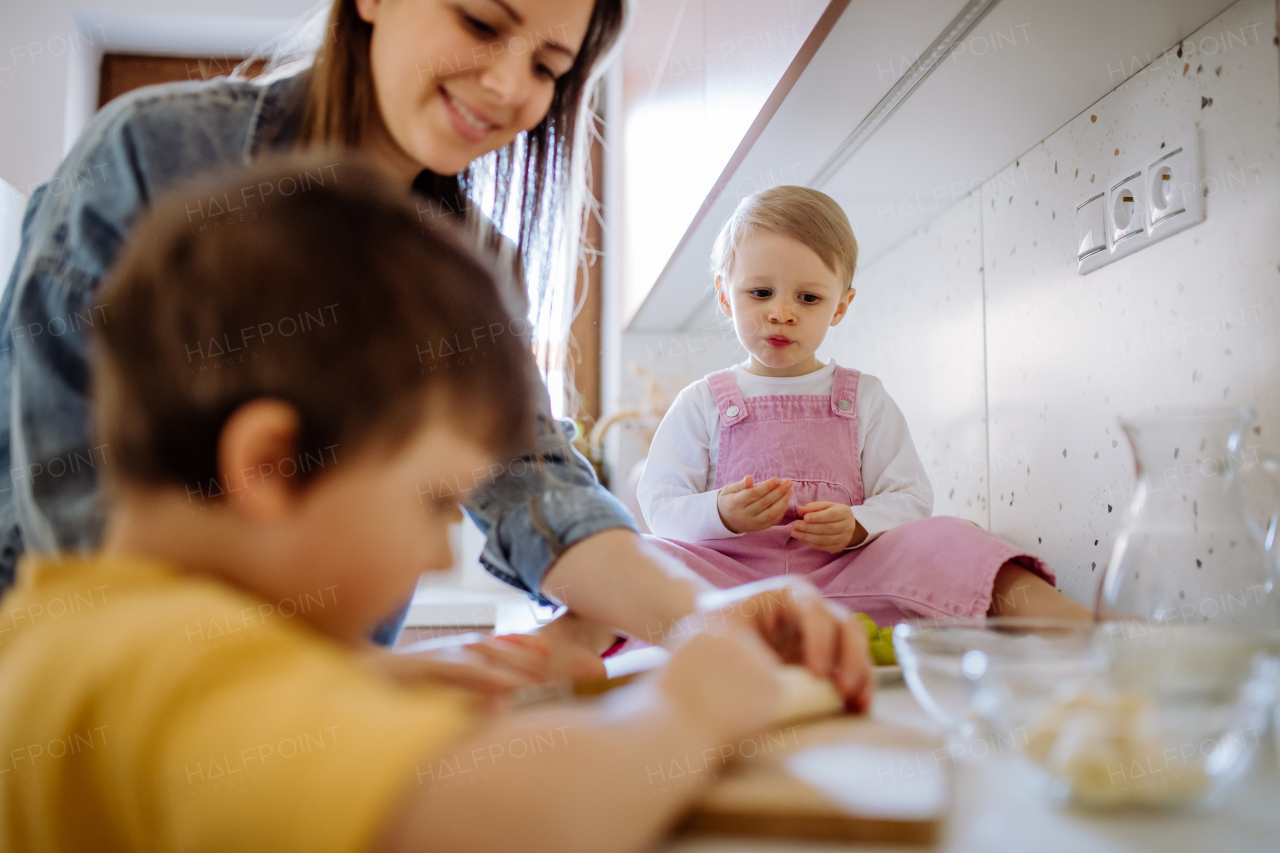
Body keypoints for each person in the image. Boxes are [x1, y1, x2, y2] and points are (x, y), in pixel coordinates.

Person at [0, 0, 874, 692]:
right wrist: (338, 683)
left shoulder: (475, 264)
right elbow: (65, 501)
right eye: (480, 22)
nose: (506, 86)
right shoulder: (154, 153)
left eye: (547, 67)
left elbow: (534, 479)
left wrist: (703, 613)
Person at [0, 157, 800, 853]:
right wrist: (691, 708)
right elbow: (526, 821)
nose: (430, 555)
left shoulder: (59, 634)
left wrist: (386, 681)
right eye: (433, 501)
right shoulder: (172, 668)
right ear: (273, 467)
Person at [638, 186, 1092, 624]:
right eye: (760, 293)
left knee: (954, 535)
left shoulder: (864, 397)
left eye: (808, 298)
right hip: (729, 589)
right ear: (724, 295)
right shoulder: (701, 402)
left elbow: (911, 497)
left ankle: (1085, 631)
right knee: (636, 552)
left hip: (847, 585)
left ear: (839, 307)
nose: (781, 313)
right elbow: (659, 506)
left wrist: (857, 524)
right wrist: (720, 513)